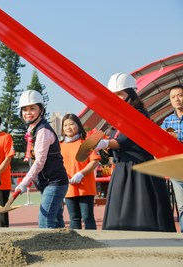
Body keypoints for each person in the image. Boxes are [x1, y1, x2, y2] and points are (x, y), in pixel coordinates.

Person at [94, 72, 176, 232]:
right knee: (121, 211)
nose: (116, 98)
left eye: (120, 94)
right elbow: (117, 142)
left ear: (131, 94)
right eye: (114, 95)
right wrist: (105, 146)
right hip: (123, 169)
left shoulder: (139, 114)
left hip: (140, 170)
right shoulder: (118, 118)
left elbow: (126, 140)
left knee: (142, 210)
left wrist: (106, 142)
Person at [15, 90, 69, 228]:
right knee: (56, 220)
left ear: (41, 110)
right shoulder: (34, 129)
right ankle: (64, 246)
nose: (28, 112)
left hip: (55, 182)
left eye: (32, 108)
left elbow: (39, 162)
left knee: (45, 222)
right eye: (25, 109)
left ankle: (48, 249)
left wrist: (25, 182)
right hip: (48, 182)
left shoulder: (43, 131)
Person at [60, 113, 100, 230]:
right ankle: (76, 244)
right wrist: (64, 176)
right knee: (74, 218)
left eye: (71, 124)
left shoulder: (85, 143)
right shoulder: (59, 146)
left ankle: (93, 242)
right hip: (69, 187)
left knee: (88, 217)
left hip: (85, 187)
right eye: (65, 125)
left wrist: (81, 173)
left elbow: (95, 161)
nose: (68, 127)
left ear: (78, 125)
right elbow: (57, 165)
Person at [160, 85, 183, 232]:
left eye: (180, 95)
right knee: (181, 205)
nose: (177, 99)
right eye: (173, 97)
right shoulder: (167, 121)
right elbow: (160, 141)